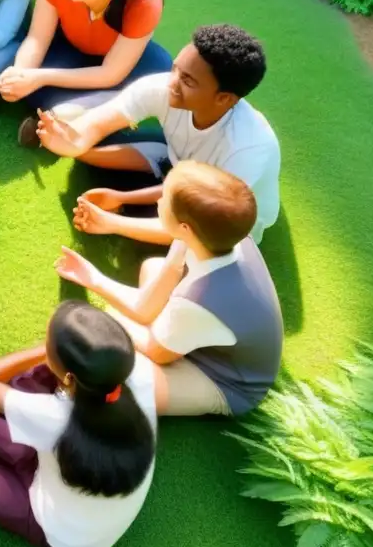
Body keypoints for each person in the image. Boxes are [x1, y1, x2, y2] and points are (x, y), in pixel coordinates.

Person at [0, 301, 156, 547]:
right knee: (34, 381)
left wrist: (41, 353)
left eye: (48, 343)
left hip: (60, 532)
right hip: (84, 493)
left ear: (71, 378)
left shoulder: (54, 417)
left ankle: (11, 469)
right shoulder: (138, 377)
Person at [54, 161, 284, 418]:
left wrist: (116, 315)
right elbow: (146, 307)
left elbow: (156, 351)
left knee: (122, 370)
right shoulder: (216, 235)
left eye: (165, 197)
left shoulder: (200, 300)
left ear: (186, 227)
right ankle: (169, 333)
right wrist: (92, 278)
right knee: (152, 269)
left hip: (224, 379)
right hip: (203, 332)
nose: (160, 199)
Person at [37, 23, 281, 245]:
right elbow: (99, 123)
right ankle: (157, 162)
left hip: (224, 220)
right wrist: (72, 142)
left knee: (185, 253)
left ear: (224, 98)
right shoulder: (163, 87)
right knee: (89, 153)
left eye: (187, 80)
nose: (171, 82)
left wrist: (112, 223)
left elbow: (195, 232)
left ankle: (156, 166)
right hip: (180, 166)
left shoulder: (246, 149)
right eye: (175, 69)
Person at [0, 0, 172, 146]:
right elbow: (37, 40)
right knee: (34, 88)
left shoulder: (145, 2)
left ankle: (64, 116)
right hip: (71, 49)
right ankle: (67, 115)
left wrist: (41, 77)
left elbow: (110, 74)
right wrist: (20, 74)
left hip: (122, 63)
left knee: (160, 78)